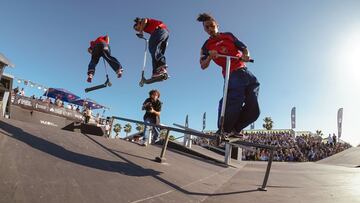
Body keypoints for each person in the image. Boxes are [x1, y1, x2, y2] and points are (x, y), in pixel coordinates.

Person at [197, 13, 260, 136]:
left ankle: (235, 129)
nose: (210, 29)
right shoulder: (206, 46)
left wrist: (246, 55)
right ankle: (224, 129)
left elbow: (244, 48)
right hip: (231, 73)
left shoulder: (228, 35)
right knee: (234, 98)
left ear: (217, 25)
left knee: (254, 110)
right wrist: (210, 56)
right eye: (206, 28)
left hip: (245, 71)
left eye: (211, 26)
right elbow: (203, 65)